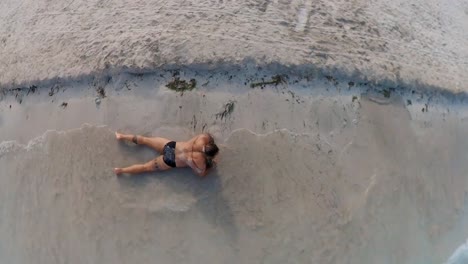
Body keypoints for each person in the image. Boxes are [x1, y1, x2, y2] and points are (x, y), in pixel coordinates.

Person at [113, 132, 219, 177]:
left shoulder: (202, 139)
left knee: (145, 140)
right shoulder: (201, 161)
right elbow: (201, 174)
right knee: (145, 167)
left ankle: (121, 136)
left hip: (171, 146)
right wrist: (211, 165)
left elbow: (208, 135)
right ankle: (120, 170)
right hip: (171, 160)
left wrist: (210, 141)